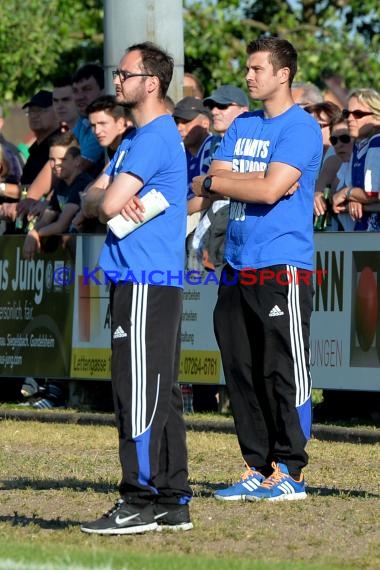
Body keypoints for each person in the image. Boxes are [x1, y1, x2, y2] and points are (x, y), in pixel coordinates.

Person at [192, 36, 323, 501]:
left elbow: (271, 192)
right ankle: (258, 464)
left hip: (280, 262)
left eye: (257, 69)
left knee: (281, 367)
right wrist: (238, 179)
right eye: (247, 68)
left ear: (282, 74)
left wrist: (239, 182)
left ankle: (291, 470)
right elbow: (214, 181)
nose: (249, 76)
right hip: (236, 261)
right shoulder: (244, 123)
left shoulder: (301, 128)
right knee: (241, 368)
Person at [80, 41, 192, 535]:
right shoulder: (132, 138)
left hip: (146, 280)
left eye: (124, 74)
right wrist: (105, 195)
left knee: (138, 392)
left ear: (151, 83)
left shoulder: (151, 138)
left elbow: (104, 206)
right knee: (159, 392)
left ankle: (139, 499)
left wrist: (106, 197)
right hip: (138, 277)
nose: (116, 81)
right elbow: (91, 196)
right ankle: (171, 499)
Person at [22, 131, 92, 261]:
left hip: (89, 251)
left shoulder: (82, 183)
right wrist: (33, 232)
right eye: (52, 160)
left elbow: (62, 225)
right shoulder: (61, 185)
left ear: (77, 161)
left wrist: (35, 234)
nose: (55, 165)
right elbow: (47, 218)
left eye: (63, 160)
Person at [332, 88, 380, 231]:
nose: (350, 119)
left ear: (377, 117)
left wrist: (348, 193)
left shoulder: (376, 142)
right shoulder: (358, 145)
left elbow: (374, 194)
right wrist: (354, 198)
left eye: (358, 114)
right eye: (347, 113)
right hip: (364, 233)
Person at [314, 114, 354, 231]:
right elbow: (322, 194)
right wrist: (317, 196)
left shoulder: (372, 158)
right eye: (334, 140)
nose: (339, 144)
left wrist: (352, 196)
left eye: (345, 138)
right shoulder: (338, 162)